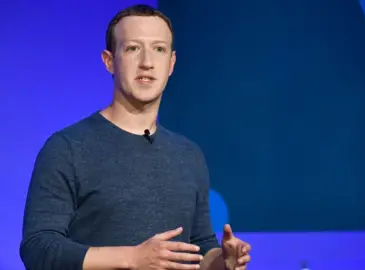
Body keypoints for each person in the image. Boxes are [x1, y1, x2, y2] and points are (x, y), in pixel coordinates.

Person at [19, 4, 252, 270]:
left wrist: (223, 261)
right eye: (132, 48)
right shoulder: (67, 148)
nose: (147, 63)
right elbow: (39, 248)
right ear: (109, 61)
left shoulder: (189, 155)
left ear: (171, 63)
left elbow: (200, 246)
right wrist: (132, 258)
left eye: (159, 49)